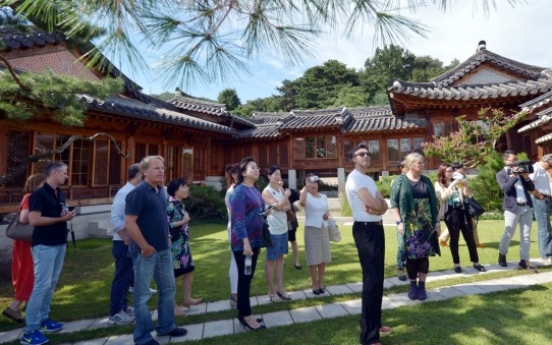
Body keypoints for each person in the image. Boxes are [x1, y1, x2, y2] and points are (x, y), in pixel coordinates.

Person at [125, 156, 187, 345]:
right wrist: (144, 246)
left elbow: (161, 218)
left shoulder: (162, 191)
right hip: (145, 253)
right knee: (142, 295)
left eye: (162, 168)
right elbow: (129, 223)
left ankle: (166, 326)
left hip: (163, 250)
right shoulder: (138, 193)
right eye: (156, 168)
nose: (161, 171)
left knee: (168, 288)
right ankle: (143, 337)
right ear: (144, 172)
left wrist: (167, 235)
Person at [21, 162, 76, 345]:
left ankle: (44, 320)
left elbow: (59, 213)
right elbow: (34, 219)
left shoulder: (58, 193)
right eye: (64, 173)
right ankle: (29, 331)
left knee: (51, 284)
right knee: (41, 285)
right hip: (44, 245)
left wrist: (66, 214)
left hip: (59, 242)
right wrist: (61, 218)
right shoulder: (39, 194)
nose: (67, 176)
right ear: (53, 173)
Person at [345, 144, 392, 345]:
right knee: (371, 281)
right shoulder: (354, 178)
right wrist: (378, 207)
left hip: (376, 228)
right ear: (353, 158)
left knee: (378, 278)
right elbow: (375, 204)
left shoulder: (368, 179)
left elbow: (384, 205)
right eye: (361, 154)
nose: (366, 156)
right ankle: (369, 337)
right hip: (365, 230)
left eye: (367, 153)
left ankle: (376, 322)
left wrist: (379, 208)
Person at [391, 152, 440, 302]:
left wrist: (437, 223)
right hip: (409, 225)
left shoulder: (426, 181)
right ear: (411, 165)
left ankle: (422, 286)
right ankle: (413, 286)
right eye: (420, 163)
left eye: (423, 163)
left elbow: (434, 204)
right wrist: (399, 222)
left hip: (426, 224)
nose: (423, 165)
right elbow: (394, 204)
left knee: (424, 256)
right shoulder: (400, 181)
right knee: (411, 257)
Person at [3, 174, 46, 324]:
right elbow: (23, 218)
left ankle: (29, 307)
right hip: (27, 241)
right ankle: (14, 307)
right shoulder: (30, 197)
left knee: (31, 273)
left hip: (29, 240)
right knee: (29, 273)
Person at [230, 157, 267, 331]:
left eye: (257, 167)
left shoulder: (255, 189)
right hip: (244, 244)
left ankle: (243, 313)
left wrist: (266, 213)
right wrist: (245, 244)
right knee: (245, 279)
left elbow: (257, 211)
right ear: (243, 172)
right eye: (252, 167)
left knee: (248, 277)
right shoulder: (239, 191)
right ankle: (246, 316)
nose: (256, 169)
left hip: (256, 240)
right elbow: (237, 220)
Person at [434, 164, 485, 273]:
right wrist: (452, 185)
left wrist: (465, 185)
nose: (450, 173)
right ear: (442, 172)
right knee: (454, 238)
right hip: (451, 213)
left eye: (451, 171)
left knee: (470, 238)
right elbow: (443, 197)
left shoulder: (457, 181)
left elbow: (467, 195)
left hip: (463, 211)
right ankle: (456, 264)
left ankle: (476, 262)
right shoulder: (438, 184)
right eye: (448, 171)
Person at [108, 163, 141, 326]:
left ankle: (124, 307)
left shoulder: (134, 192)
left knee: (128, 277)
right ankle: (115, 312)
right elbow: (115, 218)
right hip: (123, 243)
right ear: (139, 175)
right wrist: (126, 238)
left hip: (131, 242)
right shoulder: (124, 193)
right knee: (121, 277)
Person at [167, 178, 202, 316]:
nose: (187, 189)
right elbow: (166, 224)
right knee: (174, 276)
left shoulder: (179, 204)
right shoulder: (170, 204)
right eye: (184, 186)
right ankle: (173, 307)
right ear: (176, 190)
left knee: (189, 271)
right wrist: (183, 221)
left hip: (183, 244)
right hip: (174, 246)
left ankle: (187, 299)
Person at [496, 150, 536, 271]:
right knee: (508, 234)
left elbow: (532, 188)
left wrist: (526, 177)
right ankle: (502, 254)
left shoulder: (521, 171)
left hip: (526, 207)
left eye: (516, 159)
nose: (515, 162)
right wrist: (514, 176)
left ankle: (524, 260)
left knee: (526, 235)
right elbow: (505, 188)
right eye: (513, 160)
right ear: (505, 160)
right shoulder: (501, 174)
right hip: (512, 208)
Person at [262, 165, 292, 302]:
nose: (278, 176)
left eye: (279, 173)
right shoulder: (266, 192)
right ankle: (272, 290)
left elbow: (287, 207)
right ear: (268, 176)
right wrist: (285, 198)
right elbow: (280, 207)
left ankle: (280, 288)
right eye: (275, 174)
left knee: (280, 259)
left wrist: (282, 203)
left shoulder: (280, 189)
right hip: (273, 230)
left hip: (283, 228)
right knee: (271, 260)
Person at [299, 173, 330, 295]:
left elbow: (327, 209)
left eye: (315, 182)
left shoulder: (323, 196)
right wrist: (305, 188)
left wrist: (327, 214)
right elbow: (301, 203)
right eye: (310, 182)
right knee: (313, 258)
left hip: (324, 228)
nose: (313, 184)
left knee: (323, 258)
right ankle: (314, 282)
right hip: (311, 229)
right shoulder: (305, 196)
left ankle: (320, 281)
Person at [529, 154, 552, 265]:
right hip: (540, 200)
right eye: (550, 165)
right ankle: (546, 256)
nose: (550, 167)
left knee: (546, 228)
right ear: (545, 161)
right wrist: (540, 196)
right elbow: (529, 185)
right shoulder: (535, 168)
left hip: (546, 199)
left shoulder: (543, 170)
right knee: (544, 229)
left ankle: (546, 254)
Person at [224, 163, 240, 307]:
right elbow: (235, 213)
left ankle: (241, 292)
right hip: (236, 230)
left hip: (246, 230)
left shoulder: (245, 189)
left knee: (245, 262)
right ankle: (234, 294)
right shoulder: (232, 191)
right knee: (235, 260)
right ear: (234, 175)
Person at [391, 160, 408, 281]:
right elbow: (394, 202)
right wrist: (399, 221)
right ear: (401, 168)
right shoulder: (397, 181)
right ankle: (400, 267)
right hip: (403, 217)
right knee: (402, 244)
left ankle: (412, 268)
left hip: (416, 217)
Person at [285, 182, 302, 270]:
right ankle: (282, 261)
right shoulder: (270, 192)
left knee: (293, 240)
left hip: (290, 220)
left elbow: (300, 194)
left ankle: (296, 261)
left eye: (279, 175)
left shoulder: (288, 191)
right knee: (282, 242)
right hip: (278, 222)